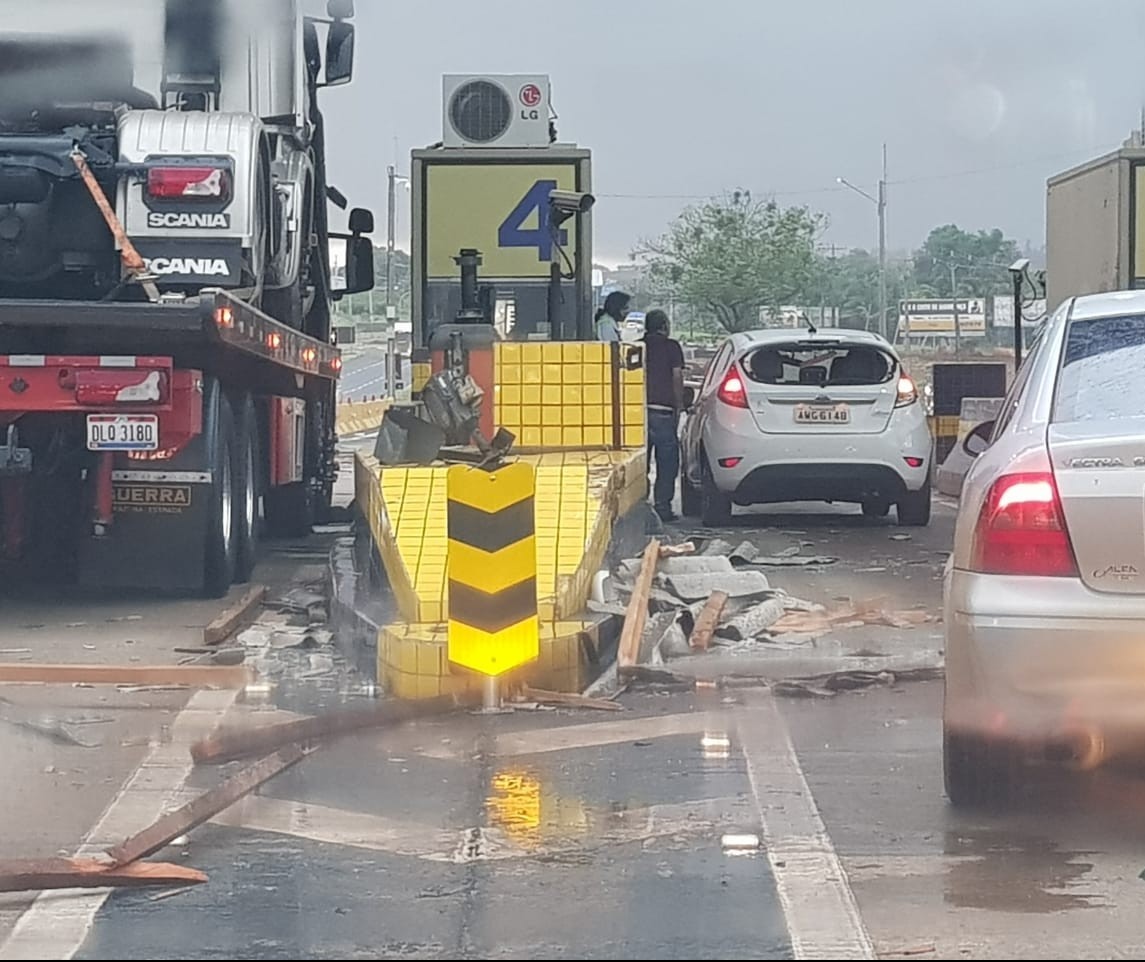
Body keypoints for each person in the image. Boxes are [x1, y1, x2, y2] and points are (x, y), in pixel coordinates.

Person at [642, 308, 685, 523]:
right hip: (664, 413)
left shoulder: (638, 347)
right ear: (664, 326)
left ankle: (639, 507)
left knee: (640, 465)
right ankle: (662, 508)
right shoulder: (672, 347)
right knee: (667, 463)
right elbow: (677, 377)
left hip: (638, 414)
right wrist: (679, 405)